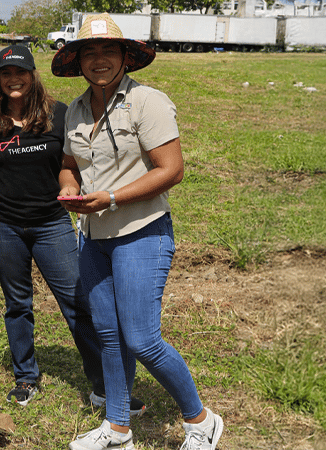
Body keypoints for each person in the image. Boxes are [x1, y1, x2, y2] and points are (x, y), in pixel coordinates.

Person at [52, 13, 224, 450]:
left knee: (143, 339)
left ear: (125, 56)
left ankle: (201, 420)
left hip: (141, 232)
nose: (99, 60)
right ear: (77, 61)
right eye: (89, 52)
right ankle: (118, 427)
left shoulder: (147, 101)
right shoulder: (74, 109)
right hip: (93, 237)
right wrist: (69, 188)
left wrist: (110, 198)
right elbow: (69, 165)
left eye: (108, 50)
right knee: (109, 335)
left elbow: (172, 170)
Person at [0, 44, 144, 414]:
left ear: (33, 74)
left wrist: (81, 194)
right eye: (6, 73)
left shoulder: (59, 114)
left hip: (51, 224)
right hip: (1, 225)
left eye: (20, 72)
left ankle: (104, 387)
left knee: (77, 303)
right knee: (17, 303)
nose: (13, 80)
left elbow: (72, 163)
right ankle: (26, 377)